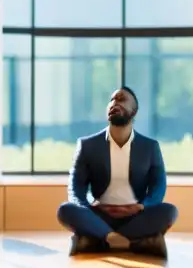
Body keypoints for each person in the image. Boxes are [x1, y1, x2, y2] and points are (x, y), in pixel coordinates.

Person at [57, 86, 178, 258]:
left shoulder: (150, 147)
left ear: (134, 111)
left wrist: (142, 206)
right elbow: (75, 188)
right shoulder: (87, 145)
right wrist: (92, 203)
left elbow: (159, 186)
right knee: (66, 210)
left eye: (121, 99)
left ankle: (96, 239)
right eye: (112, 100)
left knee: (169, 211)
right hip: (98, 214)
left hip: (135, 215)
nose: (115, 103)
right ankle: (133, 242)